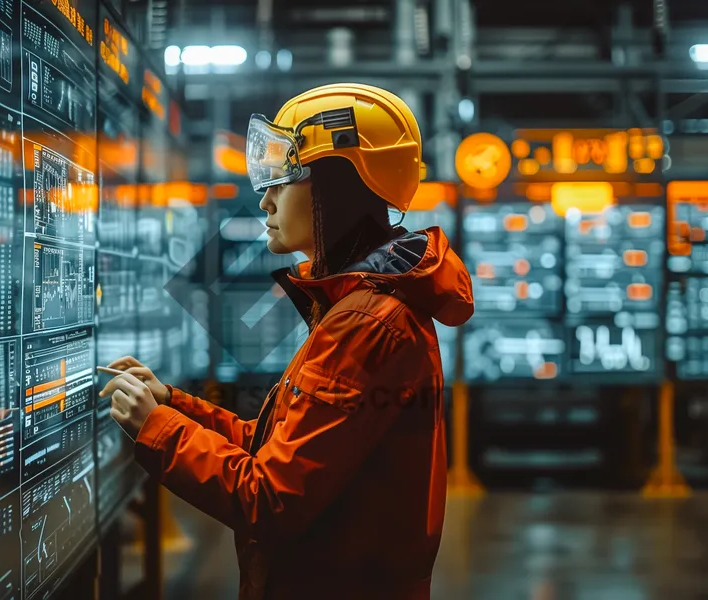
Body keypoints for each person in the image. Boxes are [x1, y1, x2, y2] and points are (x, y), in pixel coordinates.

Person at [99, 83, 474, 599]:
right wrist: (173, 405)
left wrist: (157, 430)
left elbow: (270, 498)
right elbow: (277, 447)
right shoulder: (360, 307)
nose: (266, 198)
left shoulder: (366, 324)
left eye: (286, 176)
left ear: (336, 188)